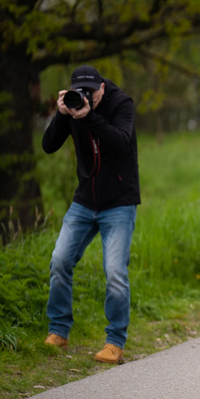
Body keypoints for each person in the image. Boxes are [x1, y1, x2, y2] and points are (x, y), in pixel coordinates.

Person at [41, 65, 140, 364]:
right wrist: (62, 114)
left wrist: (90, 117)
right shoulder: (72, 107)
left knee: (115, 273)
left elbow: (121, 143)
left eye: (92, 92)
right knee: (59, 260)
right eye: (80, 92)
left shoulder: (121, 104)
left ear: (102, 88)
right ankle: (58, 332)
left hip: (119, 203)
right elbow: (48, 146)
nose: (87, 97)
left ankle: (114, 343)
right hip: (85, 201)